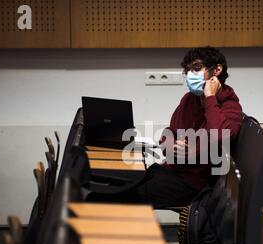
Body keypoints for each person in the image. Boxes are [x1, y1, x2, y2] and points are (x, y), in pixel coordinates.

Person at [87, 46, 243, 208]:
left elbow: (220, 136)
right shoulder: (190, 99)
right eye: (188, 70)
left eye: (196, 68)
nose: (190, 75)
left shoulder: (230, 106)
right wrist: (171, 147)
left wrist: (210, 97)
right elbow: (169, 132)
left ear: (217, 70)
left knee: (102, 199)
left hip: (193, 185)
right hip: (169, 171)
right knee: (108, 187)